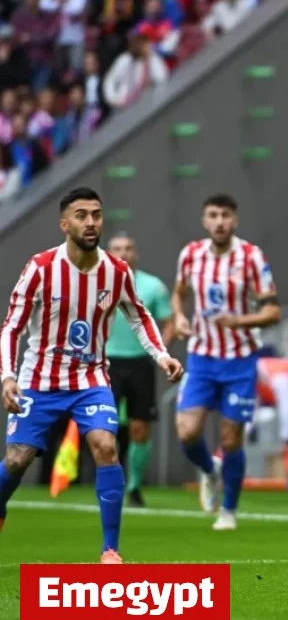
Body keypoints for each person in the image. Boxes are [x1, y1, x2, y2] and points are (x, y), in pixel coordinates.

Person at [0, 187, 183, 563]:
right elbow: (11, 327)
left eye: (96, 214)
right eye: (81, 215)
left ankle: (110, 549)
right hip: (39, 380)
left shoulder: (116, 272)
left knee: (105, 445)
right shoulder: (40, 268)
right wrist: (7, 375)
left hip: (90, 380)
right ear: (64, 223)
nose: (91, 222)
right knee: (18, 460)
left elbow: (139, 315)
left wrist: (161, 356)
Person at [170, 193, 281, 531]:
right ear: (205, 221)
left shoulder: (250, 257)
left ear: (235, 220)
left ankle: (229, 510)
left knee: (231, 439)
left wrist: (240, 322)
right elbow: (180, 292)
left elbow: (272, 310)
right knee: (187, 432)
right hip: (202, 356)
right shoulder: (190, 254)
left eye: (225, 215)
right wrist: (179, 317)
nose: (219, 221)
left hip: (239, 359)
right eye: (213, 215)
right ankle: (209, 469)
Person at [105, 232, 173, 508]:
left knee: (140, 428)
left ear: (137, 253)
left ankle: (134, 487)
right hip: (106, 362)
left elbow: (168, 320)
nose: (124, 253)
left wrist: (159, 353)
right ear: (108, 253)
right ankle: (110, 485)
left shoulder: (153, 286)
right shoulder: (97, 282)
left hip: (140, 363)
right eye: (117, 248)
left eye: (129, 248)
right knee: (104, 429)